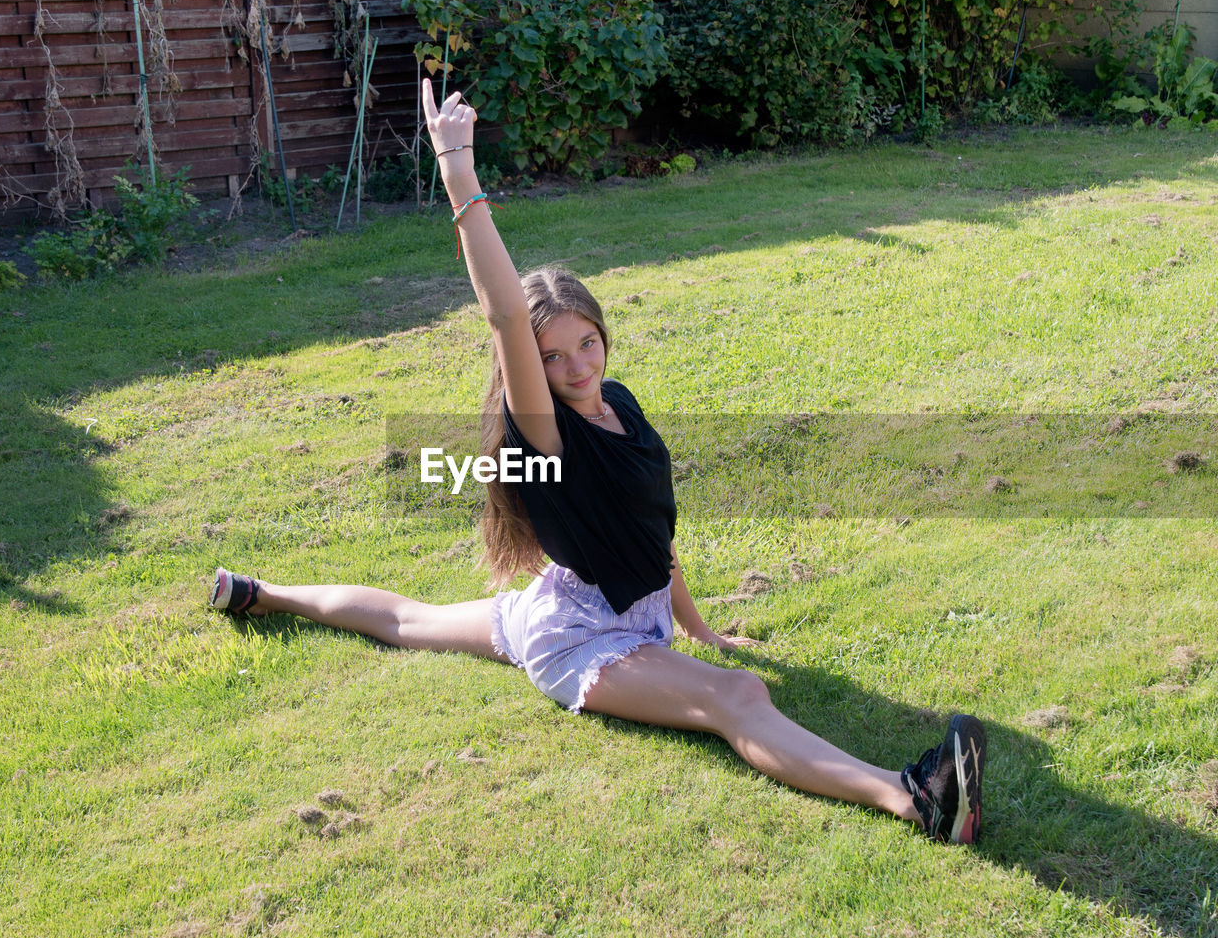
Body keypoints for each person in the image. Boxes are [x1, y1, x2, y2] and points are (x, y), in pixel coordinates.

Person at [209, 79, 985, 844]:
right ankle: (914, 799)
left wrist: (703, 630)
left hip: (590, 601)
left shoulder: (620, 405)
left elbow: (654, 536)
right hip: (580, 637)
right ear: (530, 373)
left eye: (587, 341)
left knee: (411, 619)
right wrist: (457, 167)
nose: (577, 365)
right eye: (553, 357)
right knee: (735, 697)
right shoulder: (548, 435)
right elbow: (508, 311)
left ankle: (260, 592)